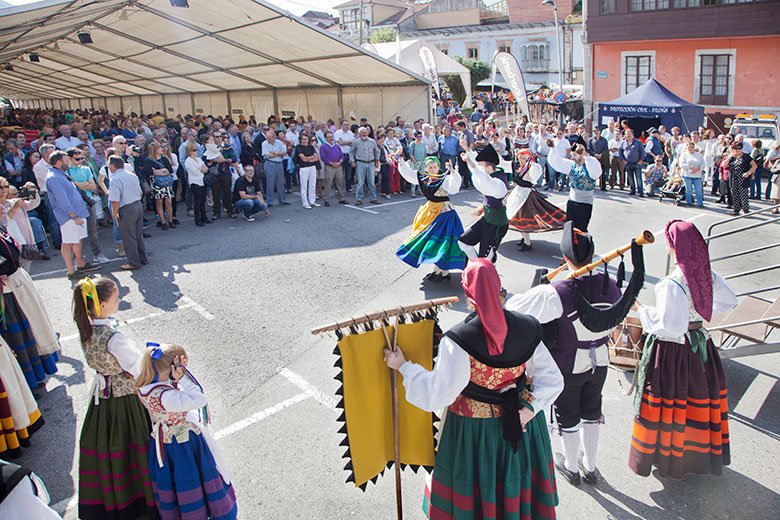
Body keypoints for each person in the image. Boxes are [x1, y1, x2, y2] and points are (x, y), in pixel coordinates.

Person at [384, 258, 563, 519]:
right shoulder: (529, 326)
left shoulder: (458, 340)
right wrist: (529, 410)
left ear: (467, 293)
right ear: (500, 287)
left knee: (475, 494)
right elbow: (553, 379)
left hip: (473, 432)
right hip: (522, 425)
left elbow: (438, 394)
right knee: (517, 488)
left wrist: (404, 367)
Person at [507, 222, 643, 485]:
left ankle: (571, 467)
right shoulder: (611, 285)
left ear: (564, 257)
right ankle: (590, 467)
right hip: (600, 361)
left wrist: (538, 287)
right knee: (591, 410)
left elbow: (514, 308)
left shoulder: (555, 292)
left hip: (567, 364)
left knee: (567, 414)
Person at [630, 220, 738, 479]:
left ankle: (670, 458)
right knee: (697, 400)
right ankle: (698, 455)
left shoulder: (671, 283)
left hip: (674, 351)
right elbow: (729, 301)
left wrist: (642, 311)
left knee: (671, 402)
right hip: (700, 343)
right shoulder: (708, 275)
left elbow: (671, 326)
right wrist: (699, 312)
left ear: (673, 245)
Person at [71, 277, 157, 519]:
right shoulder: (115, 338)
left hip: (103, 398)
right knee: (134, 447)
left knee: (107, 448)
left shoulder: (87, 330)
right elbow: (137, 368)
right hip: (125, 399)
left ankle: (112, 500)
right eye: (116, 298)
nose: (119, 301)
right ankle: (141, 500)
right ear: (102, 305)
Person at [136, 343, 238, 519]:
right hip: (183, 445)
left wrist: (174, 379)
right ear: (173, 368)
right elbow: (199, 399)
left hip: (163, 442)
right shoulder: (167, 396)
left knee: (174, 485)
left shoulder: (147, 388)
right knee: (192, 480)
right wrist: (183, 378)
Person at [395, 156, 465, 282]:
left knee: (442, 243)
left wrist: (453, 172)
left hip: (444, 214)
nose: (432, 169)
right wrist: (400, 160)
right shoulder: (423, 178)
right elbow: (408, 174)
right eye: (430, 167)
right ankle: (437, 271)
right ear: (426, 168)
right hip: (429, 212)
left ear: (439, 167)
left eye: (435, 167)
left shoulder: (444, 179)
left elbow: (454, 188)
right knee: (430, 242)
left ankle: (444, 272)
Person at [44, 151, 100, 280]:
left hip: (77, 214)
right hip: (70, 217)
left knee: (77, 240)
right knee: (68, 243)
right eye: (66, 160)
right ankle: (71, 271)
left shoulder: (60, 174)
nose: (68, 162)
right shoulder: (54, 178)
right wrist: (74, 216)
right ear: (59, 162)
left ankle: (81, 264)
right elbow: (62, 200)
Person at [506, 149, 566, 252]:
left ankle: (527, 243)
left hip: (526, 196)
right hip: (517, 194)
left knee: (523, 220)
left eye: (523, 158)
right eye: (519, 158)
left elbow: (535, 176)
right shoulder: (517, 165)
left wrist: (532, 163)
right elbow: (503, 164)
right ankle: (525, 239)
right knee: (516, 218)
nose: (521, 160)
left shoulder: (531, 167)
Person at [458, 144, 510, 262]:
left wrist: (469, 162)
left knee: (486, 259)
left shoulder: (499, 182)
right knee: (463, 241)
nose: (479, 168)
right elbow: (478, 171)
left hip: (496, 225)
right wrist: (467, 150)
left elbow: (482, 179)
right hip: (487, 219)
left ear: (489, 168)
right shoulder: (490, 175)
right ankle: (476, 264)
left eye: (481, 166)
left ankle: (484, 267)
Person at [67, 147, 109, 264]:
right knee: (75, 234)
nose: (80, 161)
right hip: (75, 205)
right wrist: (85, 184)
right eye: (77, 159)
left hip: (89, 202)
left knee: (92, 231)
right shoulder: (66, 171)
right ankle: (76, 259)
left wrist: (77, 184)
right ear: (70, 158)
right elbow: (70, 186)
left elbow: (93, 186)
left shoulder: (86, 169)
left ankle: (97, 254)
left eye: (82, 158)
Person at [547, 143, 602, 232]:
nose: (573, 157)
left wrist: (586, 155)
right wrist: (552, 148)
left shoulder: (590, 163)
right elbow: (557, 162)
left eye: (575, 155)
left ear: (582, 154)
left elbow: (596, 173)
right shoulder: (572, 165)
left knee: (581, 230)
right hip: (572, 202)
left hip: (585, 203)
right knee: (569, 229)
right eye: (573, 155)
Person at [107, 156, 148, 271]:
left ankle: (134, 262)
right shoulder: (132, 175)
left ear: (112, 166)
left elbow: (115, 200)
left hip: (126, 208)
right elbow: (140, 192)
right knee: (138, 234)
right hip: (137, 205)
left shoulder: (115, 179)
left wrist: (114, 214)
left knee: (128, 237)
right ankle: (143, 258)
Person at [350, 127, 381, 206]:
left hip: (371, 163)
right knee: (360, 183)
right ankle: (359, 198)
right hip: (360, 163)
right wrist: (352, 161)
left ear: (367, 133)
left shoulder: (372, 141)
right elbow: (351, 152)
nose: (364, 134)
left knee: (371, 182)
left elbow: (376, 151)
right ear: (359, 134)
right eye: (362, 132)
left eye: (365, 132)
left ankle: (373, 198)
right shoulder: (356, 142)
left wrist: (377, 160)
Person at [726, 141, 757, 215]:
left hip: (742, 178)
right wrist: (730, 156)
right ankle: (736, 210)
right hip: (733, 178)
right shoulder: (732, 157)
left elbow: (754, 166)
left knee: (743, 195)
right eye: (735, 149)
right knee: (734, 194)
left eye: (739, 148)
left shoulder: (746, 157)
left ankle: (746, 211)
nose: (737, 150)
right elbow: (724, 165)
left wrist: (748, 173)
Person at [261, 130, 289, 206]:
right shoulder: (264, 143)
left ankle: (282, 200)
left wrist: (274, 153)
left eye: (269, 138)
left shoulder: (279, 142)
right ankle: (269, 201)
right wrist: (278, 154)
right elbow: (266, 156)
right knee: (270, 183)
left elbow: (284, 152)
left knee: (281, 183)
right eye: (267, 138)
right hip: (270, 163)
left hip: (279, 163)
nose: (268, 140)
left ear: (274, 137)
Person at [320, 131, 347, 207]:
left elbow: (342, 156)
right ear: (325, 138)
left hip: (338, 166)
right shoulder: (323, 147)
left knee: (340, 182)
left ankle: (341, 198)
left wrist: (339, 162)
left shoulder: (337, 146)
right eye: (329, 137)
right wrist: (332, 163)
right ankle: (326, 199)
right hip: (329, 167)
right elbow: (323, 157)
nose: (331, 138)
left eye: (332, 137)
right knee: (328, 183)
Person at [185, 143, 210, 226]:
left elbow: (205, 168)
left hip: (202, 181)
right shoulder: (188, 161)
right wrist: (201, 169)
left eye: (197, 150)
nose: (196, 152)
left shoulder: (199, 159)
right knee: (197, 201)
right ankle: (197, 218)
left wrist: (201, 169)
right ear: (190, 151)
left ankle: (204, 217)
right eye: (194, 150)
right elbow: (194, 171)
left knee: (203, 200)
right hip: (195, 182)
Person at [295, 133, 320, 209]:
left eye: (306, 139)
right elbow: (303, 159)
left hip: (312, 167)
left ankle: (312, 201)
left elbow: (316, 158)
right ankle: (305, 203)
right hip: (303, 168)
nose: (305, 140)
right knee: (304, 186)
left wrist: (308, 159)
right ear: (300, 140)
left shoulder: (311, 147)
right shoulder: (298, 147)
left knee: (312, 185)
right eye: (303, 139)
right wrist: (311, 157)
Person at [619, 129, 647, 197]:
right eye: (626, 134)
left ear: (632, 134)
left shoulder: (638, 142)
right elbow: (620, 151)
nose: (627, 135)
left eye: (629, 133)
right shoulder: (623, 143)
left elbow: (643, 152)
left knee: (638, 178)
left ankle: (640, 192)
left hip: (637, 163)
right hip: (628, 163)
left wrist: (641, 160)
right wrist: (623, 160)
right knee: (630, 178)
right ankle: (632, 190)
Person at [587, 126, 610, 191]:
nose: (596, 132)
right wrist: (594, 154)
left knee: (602, 172)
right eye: (594, 131)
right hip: (593, 158)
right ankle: (591, 186)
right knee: (592, 172)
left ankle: (603, 186)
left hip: (602, 158)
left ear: (600, 132)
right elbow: (588, 148)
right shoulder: (590, 140)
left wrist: (601, 154)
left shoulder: (604, 140)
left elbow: (606, 148)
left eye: (597, 131)